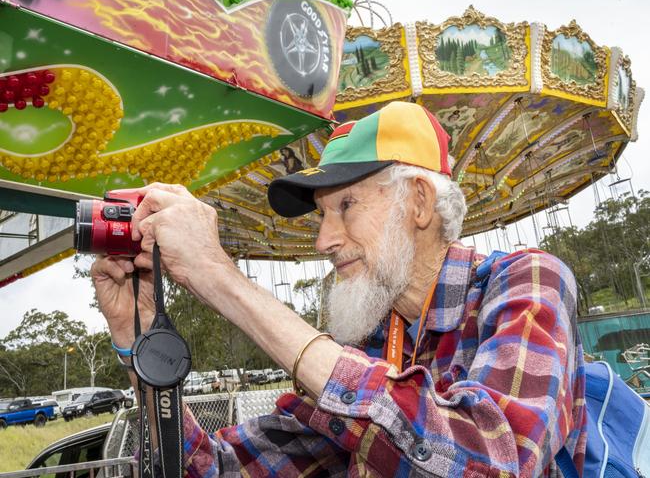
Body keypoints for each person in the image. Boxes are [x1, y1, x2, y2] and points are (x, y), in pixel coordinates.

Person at [91, 101, 586, 477]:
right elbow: (219, 466)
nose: (323, 239)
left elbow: (502, 458)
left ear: (418, 202)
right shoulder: (371, 344)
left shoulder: (529, 281)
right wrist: (137, 339)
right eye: (321, 214)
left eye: (345, 205)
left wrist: (219, 277)